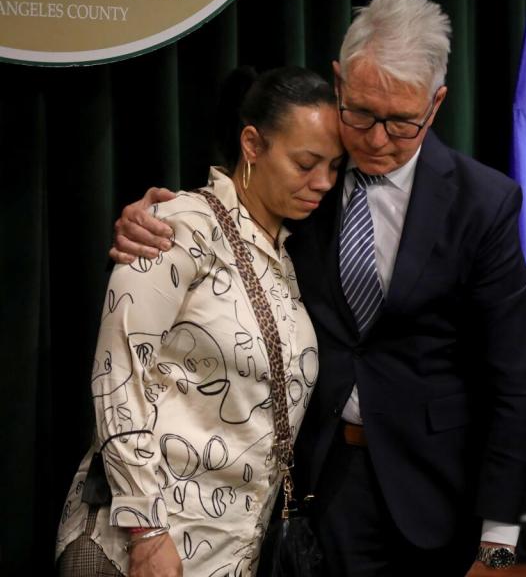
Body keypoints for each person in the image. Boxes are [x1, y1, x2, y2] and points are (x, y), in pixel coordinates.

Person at [110, 0, 526, 575]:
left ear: (437, 104)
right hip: (311, 492)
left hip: (440, 499)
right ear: (339, 81)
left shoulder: (483, 204)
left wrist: (499, 541)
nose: (375, 138)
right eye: (360, 112)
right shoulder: (307, 165)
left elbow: (513, 380)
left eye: (402, 123)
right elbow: (228, 213)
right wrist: (151, 217)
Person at [56, 66, 344, 576]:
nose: (322, 182)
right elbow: (118, 375)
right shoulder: (180, 224)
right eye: (306, 163)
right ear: (251, 144)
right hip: (139, 542)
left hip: (231, 549)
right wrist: (146, 533)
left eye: (333, 166)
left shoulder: (288, 257)